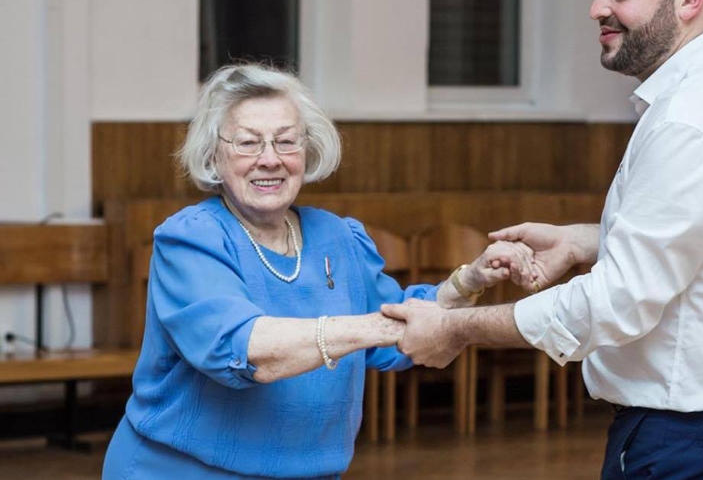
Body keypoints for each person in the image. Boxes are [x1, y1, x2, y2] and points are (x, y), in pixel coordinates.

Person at [383, 0, 703, 480]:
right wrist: (587, 240)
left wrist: (456, 328)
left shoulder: (691, 120)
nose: (597, 9)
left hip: (697, 439)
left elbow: (614, 305)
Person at [102, 63, 533, 480]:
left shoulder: (337, 237)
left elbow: (397, 328)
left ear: (307, 151)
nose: (269, 159)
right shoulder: (193, 239)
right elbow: (246, 349)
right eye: (248, 143)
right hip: (184, 471)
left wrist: (468, 281)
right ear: (214, 154)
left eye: (286, 142)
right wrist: (380, 329)